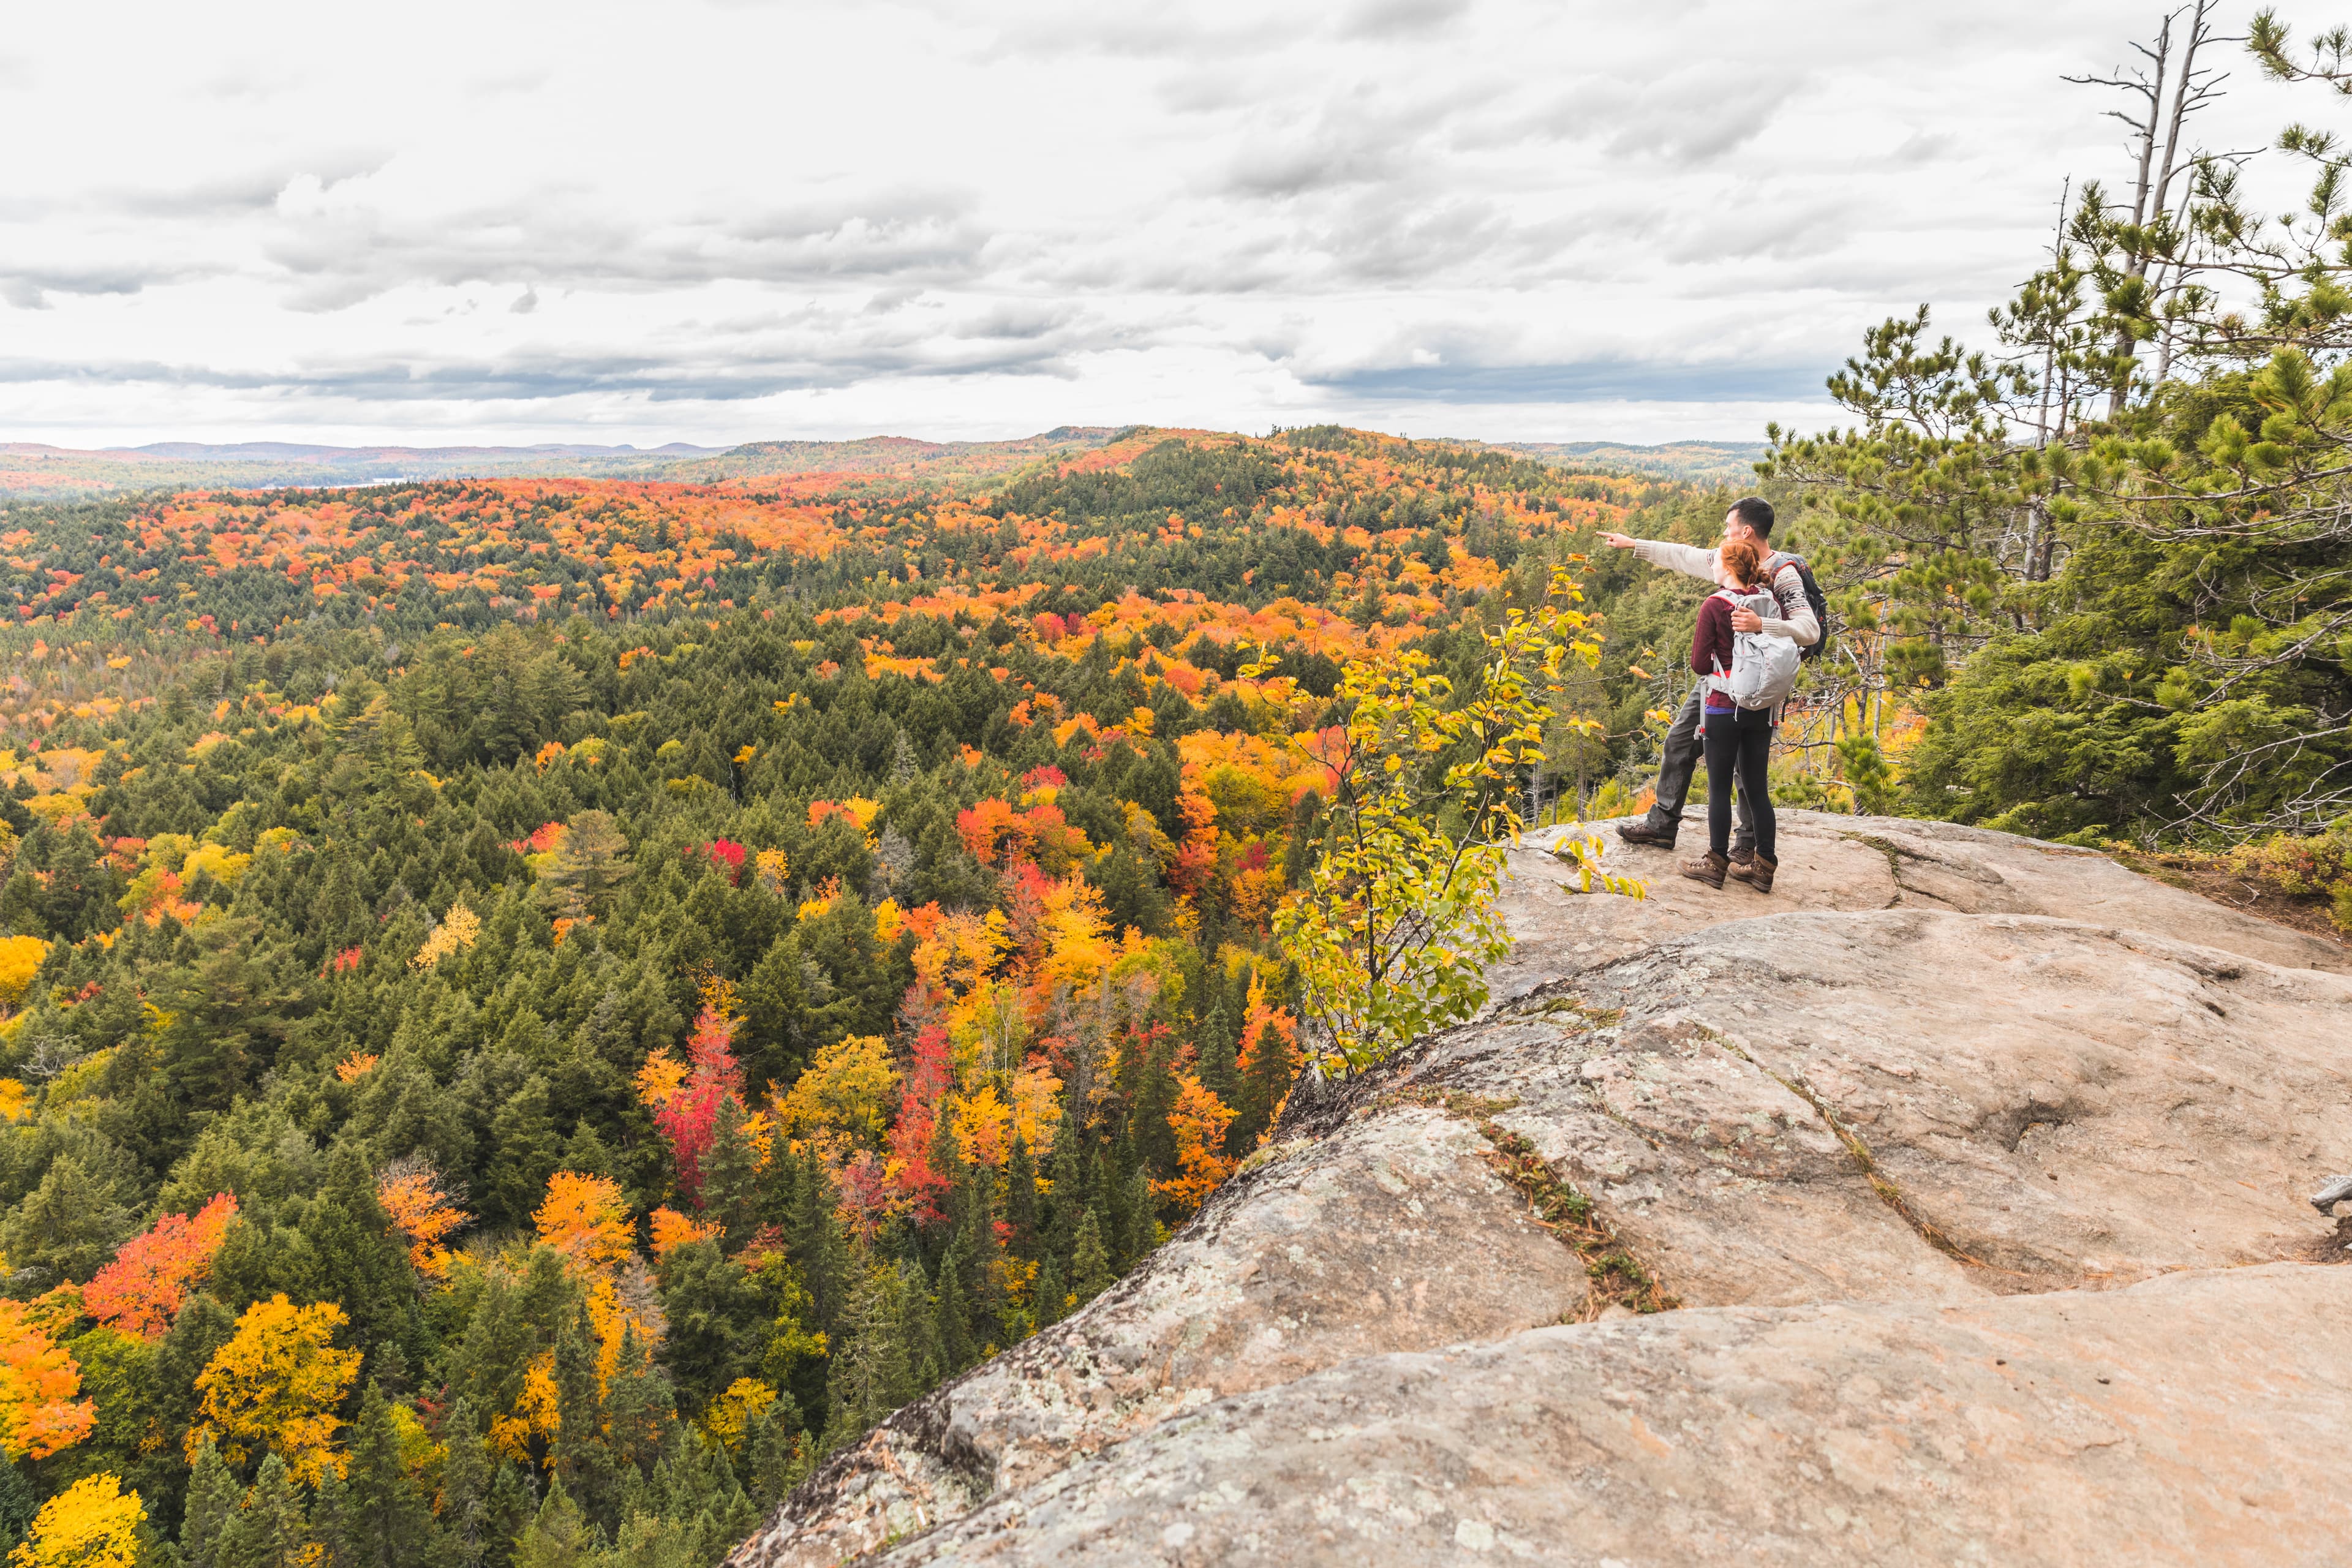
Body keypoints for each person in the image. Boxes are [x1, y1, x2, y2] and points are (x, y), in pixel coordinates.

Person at [1600, 497, 1818, 864]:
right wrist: (1634, 545)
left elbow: (1808, 629)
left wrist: (1762, 624)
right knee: (1680, 742)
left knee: (1744, 769)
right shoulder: (1730, 560)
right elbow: (1686, 556)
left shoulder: (1783, 572)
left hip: (1755, 684)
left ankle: (1746, 845)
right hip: (1718, 681)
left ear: (1746, 531)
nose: (1723, 533)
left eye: (1728, 526)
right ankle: (1662, 825)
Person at [1679, 537, 1779, 891]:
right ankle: (1764, 865)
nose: (1714, 566)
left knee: (1719, 787)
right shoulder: (1765, 601)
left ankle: (1715, 862)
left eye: (1718, 561)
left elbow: (1698, 663)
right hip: (1763, 707)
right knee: (1757, 788)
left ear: (1729, 567)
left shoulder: (1715, 605)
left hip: (1724, 706)